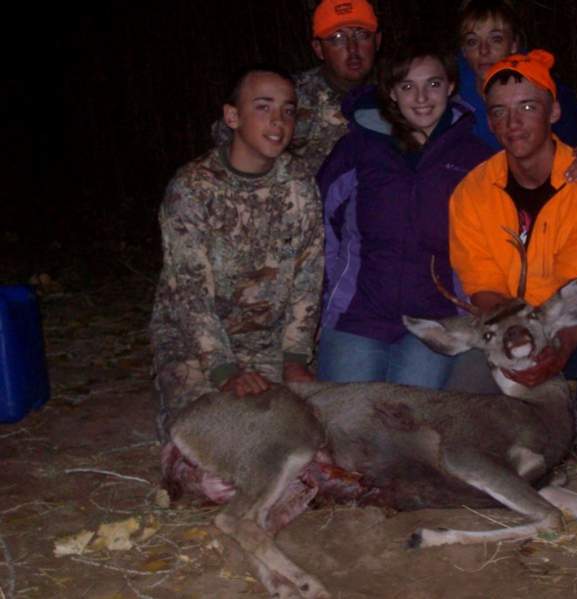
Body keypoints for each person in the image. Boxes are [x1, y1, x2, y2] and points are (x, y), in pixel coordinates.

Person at [446, 50, 577, 465]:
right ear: (489, 122)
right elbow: (483, 286)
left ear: (555, 110)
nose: (514, 123)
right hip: (513, 338)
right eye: (501, 112)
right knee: (459, 412)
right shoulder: (472, 192)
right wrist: (517, 343)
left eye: (528, 107)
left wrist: (556, 352)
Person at [150, 64, 324, 442]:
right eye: (263, 107)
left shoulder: (299, 184)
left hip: (268, 342)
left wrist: (295, 359)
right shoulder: (192, 188)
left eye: (288, 109)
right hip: (196, 344)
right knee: (209, 438)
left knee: (301, 433)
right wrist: (225, 371)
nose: (278, 120)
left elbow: (309, 276)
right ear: (232, 116)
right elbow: (191, 293)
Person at [316, 40, 495, 388]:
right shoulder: (357, 149)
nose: (422, 98)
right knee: (345, 427)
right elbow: (322, 228)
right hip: (358, 315)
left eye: (433, 84)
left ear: (451, 86)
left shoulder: (476, 159)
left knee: (410, 430)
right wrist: (328, 300)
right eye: (407, 86)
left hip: (435, 321)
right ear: (392, 93)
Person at [455, 0, 577, 181]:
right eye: (472, 42)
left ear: (513, 44)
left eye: (496, 39)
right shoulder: (450, 97)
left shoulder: (542, 88)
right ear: (463, 50)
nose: (484, 50)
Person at [211, 0, 382, 176]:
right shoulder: (290, 94)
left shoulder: (398, 94)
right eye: (337, 38)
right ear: (319, 49)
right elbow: (225, 132)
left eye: (362, 35)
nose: (352, 48)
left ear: (377, 41)